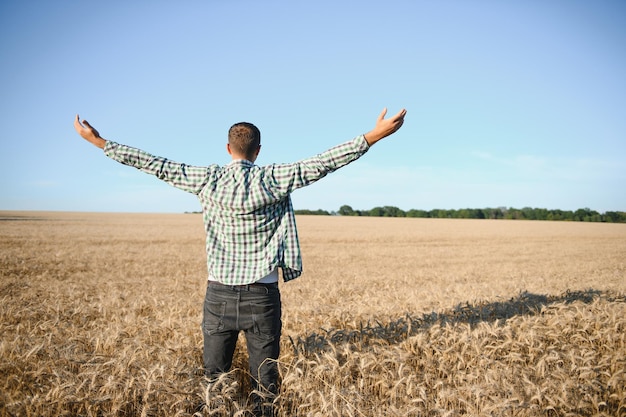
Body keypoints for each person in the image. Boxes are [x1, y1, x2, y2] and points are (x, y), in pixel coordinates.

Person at [73, 108, 406, 416]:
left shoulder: (208, 179)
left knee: (214, 380)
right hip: (262, 297)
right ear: (258, 151)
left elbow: (155, 164)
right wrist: (373, 136)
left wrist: (99, 142)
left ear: (228, 149)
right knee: (266, 384)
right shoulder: (274, 178)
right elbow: (323, 162)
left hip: (218, 295)